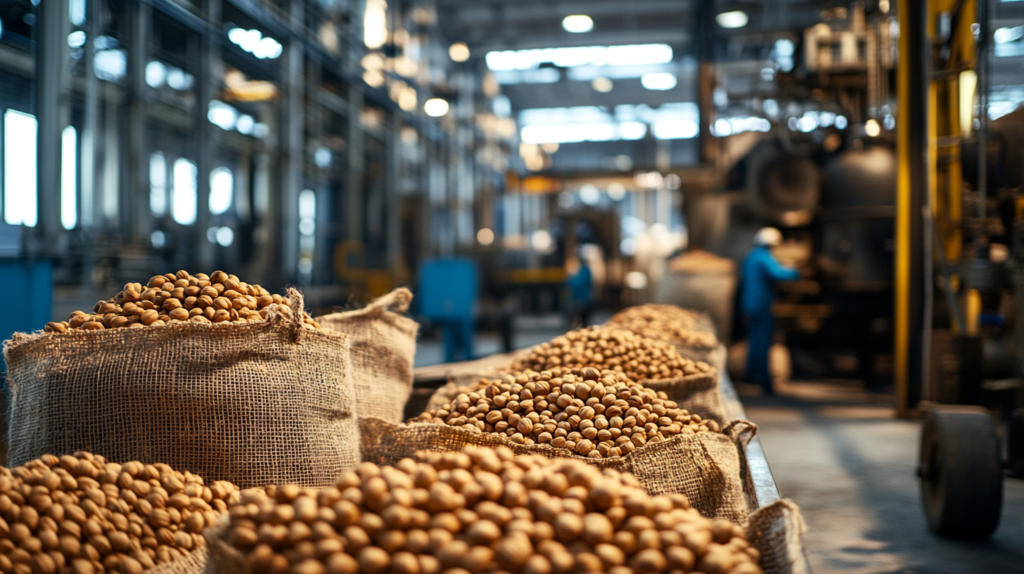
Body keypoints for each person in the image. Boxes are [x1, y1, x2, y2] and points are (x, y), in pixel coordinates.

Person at [741, 227, 799, 395]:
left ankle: (748, 377)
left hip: (750, 304)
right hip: (761, 305)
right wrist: (797, 271)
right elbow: (779, 273)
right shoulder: (763, 257)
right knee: (763, 343)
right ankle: (766, 384)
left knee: (754, 341)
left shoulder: (751, 256)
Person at [567, 259, 593, 327]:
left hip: (584, 300)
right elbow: (567, 284)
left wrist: (572, 275)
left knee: (585, 321)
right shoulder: (577, 272)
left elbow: (577, 283)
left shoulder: (585, 271)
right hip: (576, 300)